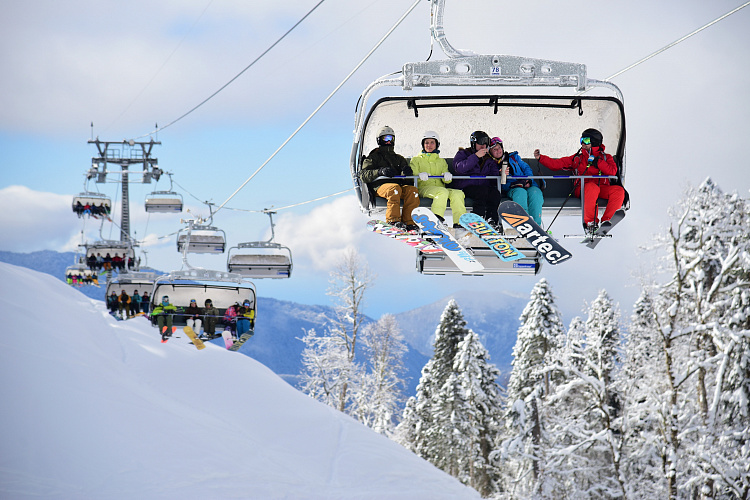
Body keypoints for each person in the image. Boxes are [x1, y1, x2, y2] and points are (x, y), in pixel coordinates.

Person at [534, 128, 625, 232]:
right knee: (592, 187)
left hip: (602, 188)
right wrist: (541, 158)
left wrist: (598, 162)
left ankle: (607, 220)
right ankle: (590, 223)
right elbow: (557, 164)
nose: (582, 143)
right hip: (584, 188)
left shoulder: (605, 158)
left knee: (618, 191)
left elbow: (612, 171)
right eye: (581, 140)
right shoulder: (578, 158)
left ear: (594, 142)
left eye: (586, 140)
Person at [359, 125, 420, 230]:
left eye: (391, 138)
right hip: (380, 187)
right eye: (385, 138)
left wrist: (407, 173)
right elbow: (363, 175)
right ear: (379, 140)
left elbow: (409, 182)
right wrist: (380, 172)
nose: (388, 141)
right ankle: (393, 220)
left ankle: (409, 222)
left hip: (398, 187)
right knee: (394, 188)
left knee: (412, 191)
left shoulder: (399, 159)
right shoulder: (373, 157)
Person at [409, 131, 466, 228]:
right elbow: (412, 176)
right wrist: (419, 175)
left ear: (437, 144)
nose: (429, 145)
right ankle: (436, 219)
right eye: (426, 143)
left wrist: (447, 177)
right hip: (424, 188)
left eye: (432, 142)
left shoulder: (441, 161)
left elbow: (446, 181)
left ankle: (459, 224)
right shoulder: (416, 159)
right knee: (441, 192)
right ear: (423, 145)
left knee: (458, 193)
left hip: (439, 188)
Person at [488, 137, 544, 226]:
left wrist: (528, 179)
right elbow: (500, 184)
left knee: (535, 193)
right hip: (514, 188)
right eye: (494, 149)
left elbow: (526, 168)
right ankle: (524, 223)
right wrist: (508, 180)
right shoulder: (492, 165)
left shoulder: (514, 157)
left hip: (527, 184)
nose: (498, 150)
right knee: (520, 193)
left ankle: (536, 224)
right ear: (490, 152)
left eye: (499, 148)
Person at [451, 131, 502, 227]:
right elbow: (460, 168)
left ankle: (492, 220)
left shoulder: (488, 159)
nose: (483, 146)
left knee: (495, 194)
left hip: (483, 186)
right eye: (480, 143)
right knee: (481, 191)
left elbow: (493, 179)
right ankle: (478, 216)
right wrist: (475, 157)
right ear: (474, 144)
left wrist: (500, 173)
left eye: (485, 144)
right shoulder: (463, 153)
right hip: (467, 186)